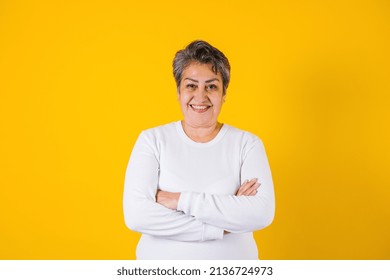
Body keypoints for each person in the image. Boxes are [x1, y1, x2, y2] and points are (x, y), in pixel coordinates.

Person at [123, 40, 275, 259]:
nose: (201, 96)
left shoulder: (247, 144)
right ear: (179, 92)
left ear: (224, 95)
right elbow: (137, 216)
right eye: (191, 85)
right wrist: (222, 225)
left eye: (211, 86)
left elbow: (260, 214)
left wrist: (179, 200)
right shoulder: (152, 140)